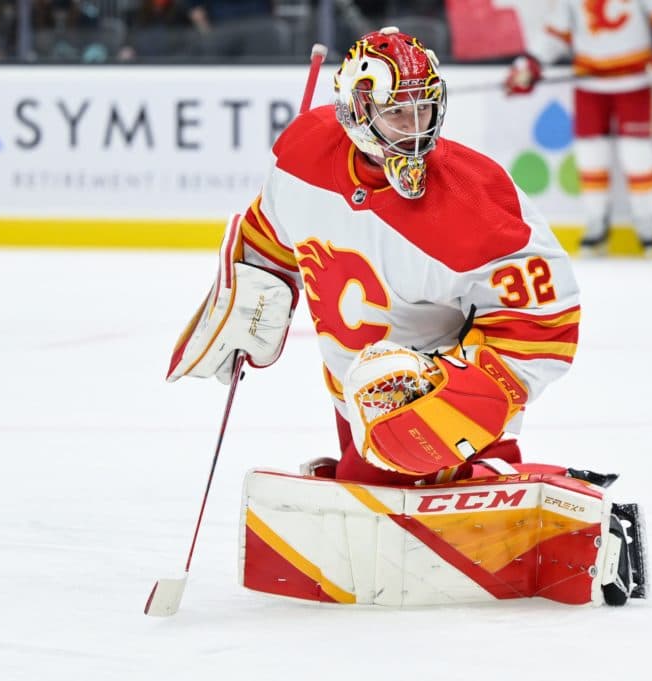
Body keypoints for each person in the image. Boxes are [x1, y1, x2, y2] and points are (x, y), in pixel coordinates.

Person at [166, 26, 580, 488]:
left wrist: (469, 393)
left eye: (424, 108)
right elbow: (272, 234)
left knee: (376, 491)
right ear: (356, 110)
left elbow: (547, 320)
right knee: (360, 493)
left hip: (427, 397)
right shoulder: (303, 154)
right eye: (397, 112)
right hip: (349, 393)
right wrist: (255, 294)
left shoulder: (473, 197)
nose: (416, 127)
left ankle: (493, 468)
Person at [505, 0, 652, 257]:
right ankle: (596, 223)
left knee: (637, 156)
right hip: (589, 82)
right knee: (590, 157)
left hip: (634, 81)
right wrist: (530, 63)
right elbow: (556, 31)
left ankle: (647, 223)